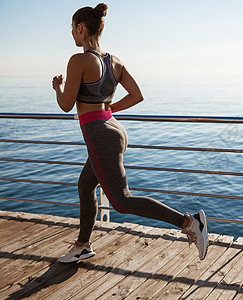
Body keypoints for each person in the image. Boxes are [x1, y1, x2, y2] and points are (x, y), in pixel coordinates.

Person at [52, 3, 208, 263]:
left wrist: (58, 88)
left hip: (99, 134)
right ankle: (83, 245)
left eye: (72, 28)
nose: (71, 32)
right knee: (85, 186)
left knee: (122, 201)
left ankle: (190, 223)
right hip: (113, 128)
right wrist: (108, 107)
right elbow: (137, 95)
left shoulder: (78, 61)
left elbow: (67, 105)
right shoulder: (115, 61)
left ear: (80, 28)